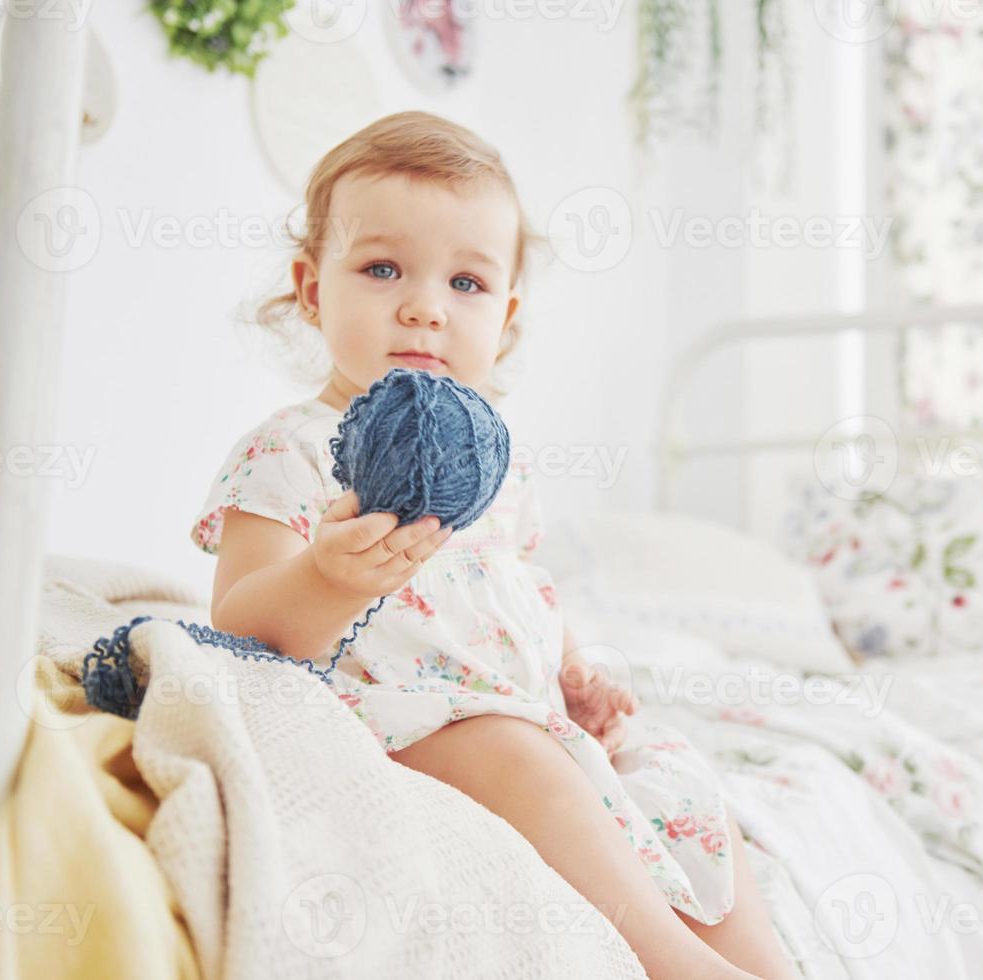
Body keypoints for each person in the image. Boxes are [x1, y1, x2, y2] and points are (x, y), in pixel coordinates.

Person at [190, 110, 796, 980]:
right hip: (393, 714)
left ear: (505, 318)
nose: (424, 307)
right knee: (518, 757)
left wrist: (577, 678)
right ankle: (675, 966)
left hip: (525, 714)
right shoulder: (291, 446)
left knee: (677, 776)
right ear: (313, 288)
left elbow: (519, 591)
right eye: (382, 268)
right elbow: (239, 627)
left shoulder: (492, 469)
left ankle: (765, 966)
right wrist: (326, 578)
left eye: (466, 284)